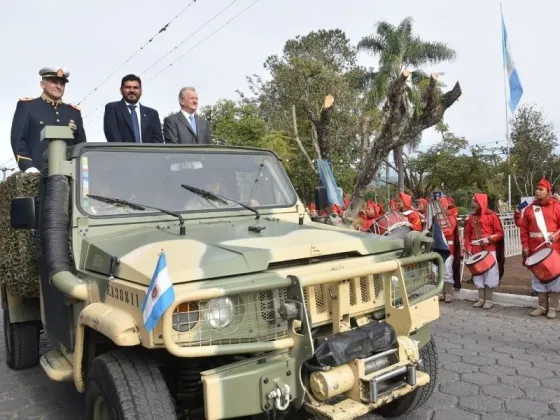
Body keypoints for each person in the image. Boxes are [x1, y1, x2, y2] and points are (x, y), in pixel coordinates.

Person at [11, 67, 87, 172]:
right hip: (37, 172)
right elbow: (18, 139)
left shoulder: (73, 112)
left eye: (62, 83)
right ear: (42, 85)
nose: (59, 86)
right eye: (54, 82)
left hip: (68, 173)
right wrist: (28, 166)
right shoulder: (28, 107)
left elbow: (81, 145)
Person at [519, 178, 560, 318]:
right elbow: (523, 230)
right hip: (534, 249)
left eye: (541, 189)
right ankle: (542, 306)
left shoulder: (557, 206)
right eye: (536, 189)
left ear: (548, 191)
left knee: (554, 278)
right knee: (538, 278)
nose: (537, 191)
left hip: (553, 249)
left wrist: (557, 236)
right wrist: (524, 245)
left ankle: (553, 308)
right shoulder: (530, 208)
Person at [463, 193, 505, 309]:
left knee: (490, 274)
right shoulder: (471, 218)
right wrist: (468, 246)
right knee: (477, 274)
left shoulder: (492, 216)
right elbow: (467, 234)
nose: (473, 203)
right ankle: (481, 299)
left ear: (481, 202)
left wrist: (491, 238)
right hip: (475, 250)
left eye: (475, 201)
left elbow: (500, 233)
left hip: (489, 249)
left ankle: (489, 300)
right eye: (472, 201)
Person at [103, 74, 163, 143]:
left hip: (147, 153)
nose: (132, 90)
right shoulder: (112, 108)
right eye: (128, 87)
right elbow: (113, 136)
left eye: (135, 88)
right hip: (122, 153)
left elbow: (158, 141)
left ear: (141, 91)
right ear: (121, 90)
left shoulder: (152, 114)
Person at [437, 197, 461, 303]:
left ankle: (448, 293)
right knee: (436, 270)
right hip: (437, 247)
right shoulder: (435, 218)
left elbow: (449, 231)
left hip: (448, 248)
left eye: (441, 205)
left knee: (447, 270)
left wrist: (437, 233)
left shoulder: (451, 217)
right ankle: (440, 292)